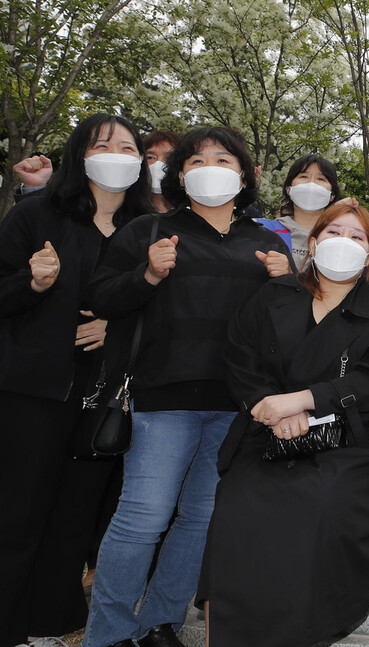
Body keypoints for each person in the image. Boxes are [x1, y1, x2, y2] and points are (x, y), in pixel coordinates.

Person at [82, 126, 294, 647]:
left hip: (237, 406)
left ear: (244, 176)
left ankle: (160, 624)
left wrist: (287, 286)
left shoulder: (267, 244)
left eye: (224, 159)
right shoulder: (148, 231)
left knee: (200, 520)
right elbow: (99, 298)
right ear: (179, 175)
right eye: (197, 160)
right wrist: (147, 277)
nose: (211, 168)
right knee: (143, 518)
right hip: (163, 400)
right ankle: (108, 634)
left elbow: (290, 333)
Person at [200, 203, 369, 646]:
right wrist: (272, 409)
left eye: (357, 237)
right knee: (238, 504)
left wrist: (305, 400)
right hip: (270, 436)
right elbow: (240, 359)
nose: (344, 242)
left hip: (361, 445)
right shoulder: (274, 295)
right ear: (314, 242)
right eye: (334, 231)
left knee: (319, 502)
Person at [0, 114, 154, 647]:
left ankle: (55, 617)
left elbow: (165, 307)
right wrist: (33, 282)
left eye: (127, 146)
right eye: (102, 143)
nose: (115, 153)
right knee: (19, 510)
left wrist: (116, 320)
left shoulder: (150, 229)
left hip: (107, 395)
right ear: (79, 154)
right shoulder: (36, 213)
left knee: (76, 514)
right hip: (35, 389)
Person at [256, 154, 341, 267]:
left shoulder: (341, 237)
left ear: (332, 195)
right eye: (304, 177)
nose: (311, 183)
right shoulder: (263, 230)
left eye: (321, 179)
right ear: (288, 189)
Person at [144, 130, 181, 213]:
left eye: (168, 158)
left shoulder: (193, 210)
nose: (158, 164)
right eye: (150, 157)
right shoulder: (130, 212)